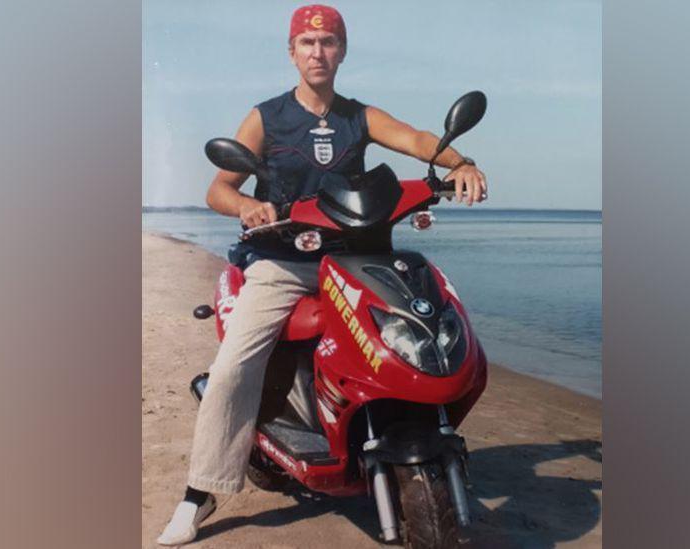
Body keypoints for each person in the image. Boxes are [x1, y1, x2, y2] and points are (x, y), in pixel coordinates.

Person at [158, 5, 487, 545]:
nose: (318, 52)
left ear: (342, 51)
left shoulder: (360, 116)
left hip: (355, 258)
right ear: (292, 52)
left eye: (329, 42)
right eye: (308, 43)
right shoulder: (267, 118)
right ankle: (202, 491)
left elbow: (416, 138)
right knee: (234, 363)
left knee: (421, 329)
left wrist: (460, 163)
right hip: (284, 263)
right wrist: (245, 206)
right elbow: (218, 189)